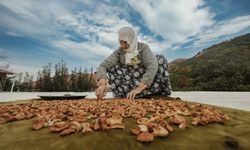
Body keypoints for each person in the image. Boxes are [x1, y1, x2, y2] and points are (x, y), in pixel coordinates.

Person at [95, 26, 171, 99]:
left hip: (145, 81)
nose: (123, 45)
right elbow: (103, 66)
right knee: (113, 67)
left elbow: (152, 65)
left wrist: (139, 88)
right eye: (120, 42)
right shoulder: (119, 52)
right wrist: (103, 84)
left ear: (132, 40)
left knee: (159, 59)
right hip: (128, 82)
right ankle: (125, 94)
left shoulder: (143, 48)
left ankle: (153, 92)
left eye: (125, 42)